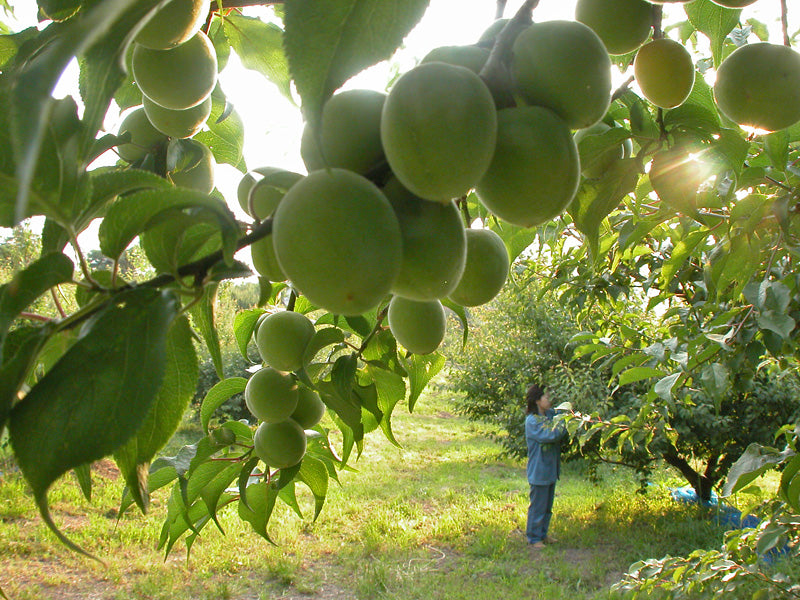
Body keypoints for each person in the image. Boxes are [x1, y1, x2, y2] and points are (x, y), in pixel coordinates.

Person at [524, 383, 566, 549]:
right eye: (546, 397)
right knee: (538, 506)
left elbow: (561, 414)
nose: (549, 400)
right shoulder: (532, 421)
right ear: (537, 400)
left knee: (547, 506)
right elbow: (551, 435)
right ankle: (534, 538)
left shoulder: (549, 415)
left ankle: (543, 534)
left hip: (550, 470)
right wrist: (564, 424)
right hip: (539, 471)